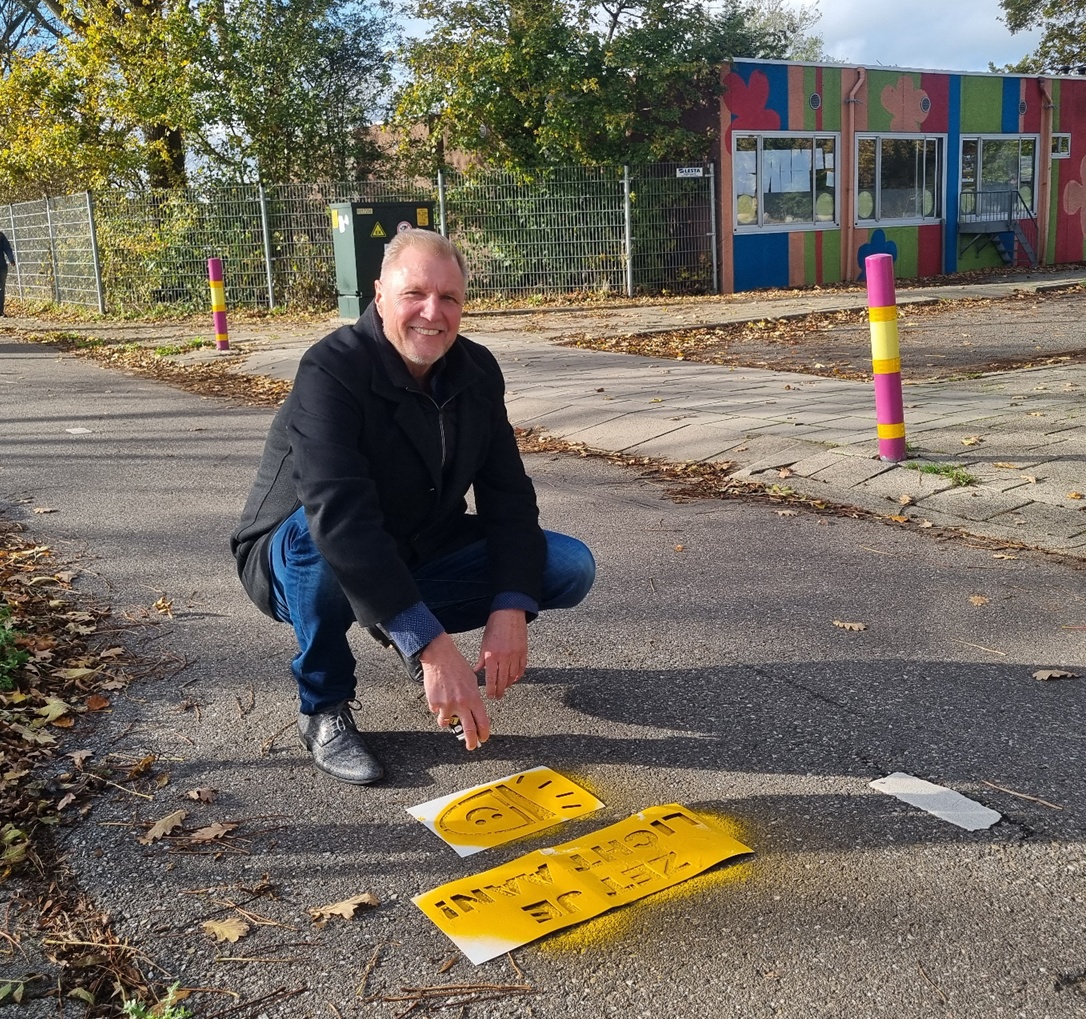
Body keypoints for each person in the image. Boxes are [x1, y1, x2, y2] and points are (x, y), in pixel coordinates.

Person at [231, 229, 595, 785]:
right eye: (415, 294)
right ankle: (322, 704)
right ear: (378, 296)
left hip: (417, 544)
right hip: (298, 557)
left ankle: (404, 625)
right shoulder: (331, 370)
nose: (433, 312)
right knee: (316, 532)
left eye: (449, 298)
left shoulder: (476, 371)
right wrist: (431, 647)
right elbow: (340, 516)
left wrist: (510, 607)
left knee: (566, 566)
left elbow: (509, 497)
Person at [0, 231, 14, 317]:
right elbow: (7, 248)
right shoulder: (1, 236)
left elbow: (7, 248)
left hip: (1, 266)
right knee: (1, 288)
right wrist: (11, 259)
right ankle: (0, 310)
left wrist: (11, 259)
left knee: (1, 288)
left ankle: (0, 310)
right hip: (2, 266)